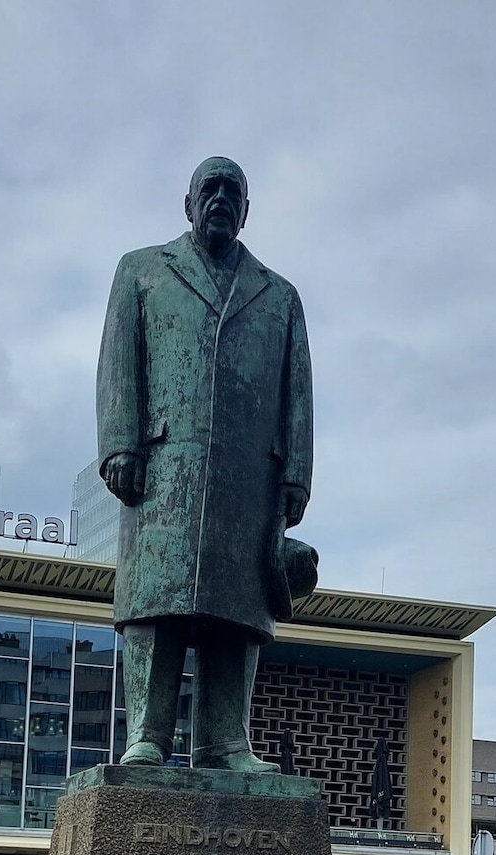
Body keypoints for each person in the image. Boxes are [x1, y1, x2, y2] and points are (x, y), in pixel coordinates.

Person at [97, 156, 315, 772]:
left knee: (237, 612)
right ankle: (148, 733)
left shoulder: (279, 296)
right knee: (156, 605)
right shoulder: (141, 271)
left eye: (233, 192)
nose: (220, 199)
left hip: (249, 476)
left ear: (246, 211)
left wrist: (296, 471)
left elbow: (297, 391)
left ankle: (226, 742)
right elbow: (119, 362)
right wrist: (120, 443)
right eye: (209, 189)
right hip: (164, 469)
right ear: (188, 203)